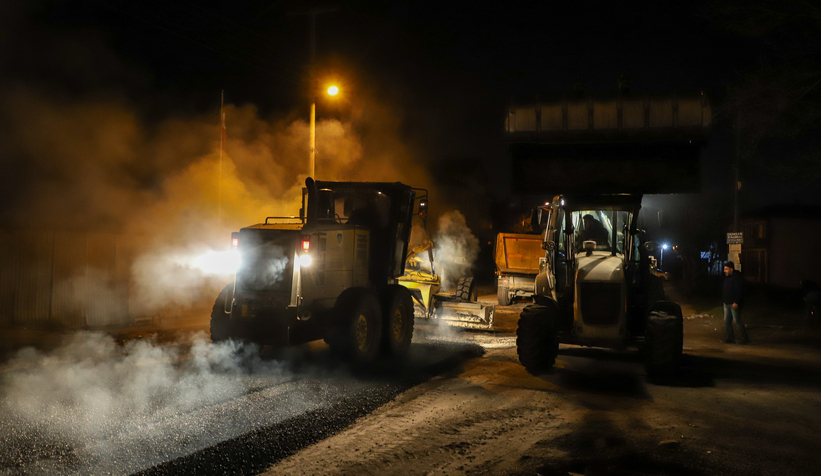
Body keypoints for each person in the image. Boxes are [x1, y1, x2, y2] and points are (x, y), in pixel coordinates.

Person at [723, 261, 749, 344]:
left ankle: (745, 338)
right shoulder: (727, 278)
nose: (725, 271)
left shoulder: (737, 278)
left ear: (731, 269)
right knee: (727, 320)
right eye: (724, 269)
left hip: (734, 303)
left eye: (726, 269)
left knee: (737, 320)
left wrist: (736, 302)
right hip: (726, 303)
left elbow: (740, 291)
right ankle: (730, 337)